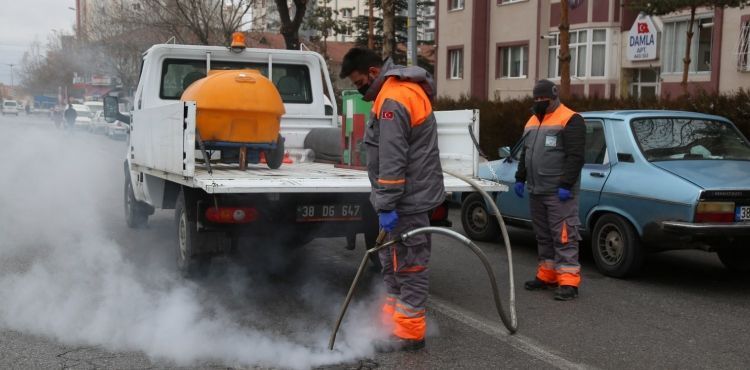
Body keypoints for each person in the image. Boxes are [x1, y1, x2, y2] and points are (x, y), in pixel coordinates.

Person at [339, 48, 444, 352]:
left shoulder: (394, 99)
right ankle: (392, 322)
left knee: (408, 266)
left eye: (360, 83)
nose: (360, 91)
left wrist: (386, 204)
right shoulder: (395, 93)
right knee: (392, 261)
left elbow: (392, 161)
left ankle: (410, 333)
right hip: (402, 199)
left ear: (373, 73)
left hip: (405, 201)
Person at [514, 79, 586, 301]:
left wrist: (566, 185)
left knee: (564, 236)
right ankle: (547, 274)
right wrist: (520, 177)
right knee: (543, 235)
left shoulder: (571, 119)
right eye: (535, 99)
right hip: (536, 190)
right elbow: (526, 153)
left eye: (543, 99)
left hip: (558, 192)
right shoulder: (532, 121)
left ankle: (569, 281)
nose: (539, 102)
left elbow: (576, 156)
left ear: (554, 97)